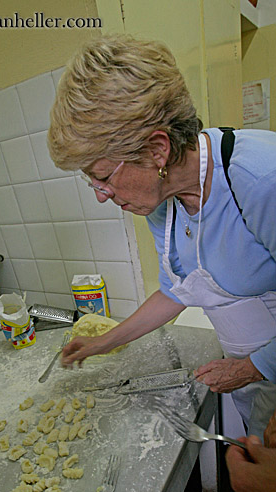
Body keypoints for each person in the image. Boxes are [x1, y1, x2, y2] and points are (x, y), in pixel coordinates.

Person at [47, 34, 276, 439]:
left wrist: (252, 367)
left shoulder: (261, 180)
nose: (102, 196)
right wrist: (104, 342)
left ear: (157, 149)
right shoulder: (162, 202)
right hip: (258, 384)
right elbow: (177, 290)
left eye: (102, 178)